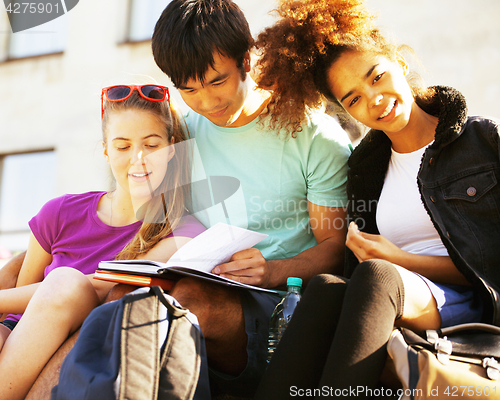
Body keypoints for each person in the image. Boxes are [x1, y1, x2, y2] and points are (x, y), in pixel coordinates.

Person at [252, 0, 500, 397]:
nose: (374, 98)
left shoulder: (482, 141)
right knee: (326, 289)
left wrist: (398, 260)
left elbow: (490, 263)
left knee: (376, 275)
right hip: (398, 297)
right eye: (352, 99)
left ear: (399, 62)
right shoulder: (366, 168)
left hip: (476, 306)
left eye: (377, 76)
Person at [150, 0, 351, 396]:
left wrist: (273, 270)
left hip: (280, 307)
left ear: (247, 58)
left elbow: (334, 246)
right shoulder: (181, 133)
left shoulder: (314, 135)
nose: (206, 103)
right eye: (188, 89)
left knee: (188, 305)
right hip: (196, 284)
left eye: (216, 81)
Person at [0, 84, 205, 400]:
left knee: (65, 282)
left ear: (171, 149)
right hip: (24, 343)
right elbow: (17, 310)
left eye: (151, 145)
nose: (138, 159)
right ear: (106, 149)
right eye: (122, 146)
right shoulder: (58, 213)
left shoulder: (184, 231)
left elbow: (100, 285)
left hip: (93, 352)